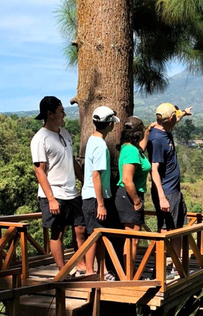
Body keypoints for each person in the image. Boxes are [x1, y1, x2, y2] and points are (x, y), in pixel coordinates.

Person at [30, 96, 87, 274]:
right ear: (50, 114)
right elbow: (39, 171)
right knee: (58, 233)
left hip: (72, 193)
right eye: (61, 111)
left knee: (80, 229)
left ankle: (81, 264)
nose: (64, 114)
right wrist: (51, 199)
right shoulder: (40, 139)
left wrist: (85, 182)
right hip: (54, 194)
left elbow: (73, 162)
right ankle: (62, 272)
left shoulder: (65, 134)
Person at [148, 103, 192, 278]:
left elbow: (176, 118)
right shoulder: (157, 139)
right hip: (166, 192)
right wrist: (162, 197)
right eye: (176, 116)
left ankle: (175, 265)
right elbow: (154, 170)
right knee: (166, 230)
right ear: (170, 118)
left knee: (177, 228)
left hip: (174, 192)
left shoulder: (165, 129)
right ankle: (160, 270)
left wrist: (184, 114)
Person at [81, 106, 120, 280]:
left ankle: (99, 270)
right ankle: (93, 271)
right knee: (96, 236)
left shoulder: (92, 140)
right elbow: (96, 175)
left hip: (91, 196)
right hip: (95, 198)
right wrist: (101, 204)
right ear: (109, 124)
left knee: (95, 234)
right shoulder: (101, 147)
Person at [115, 116, 153, 267]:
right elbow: (127, 179)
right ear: (138, 133)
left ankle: (127, 272)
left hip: (126, 196)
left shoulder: (130, 148)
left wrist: (148, 132)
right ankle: (129, 274)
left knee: (131, 238)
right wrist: (137, 201)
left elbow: (140, 148)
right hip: (129, 197)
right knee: (133, 239)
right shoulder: (131, 152)